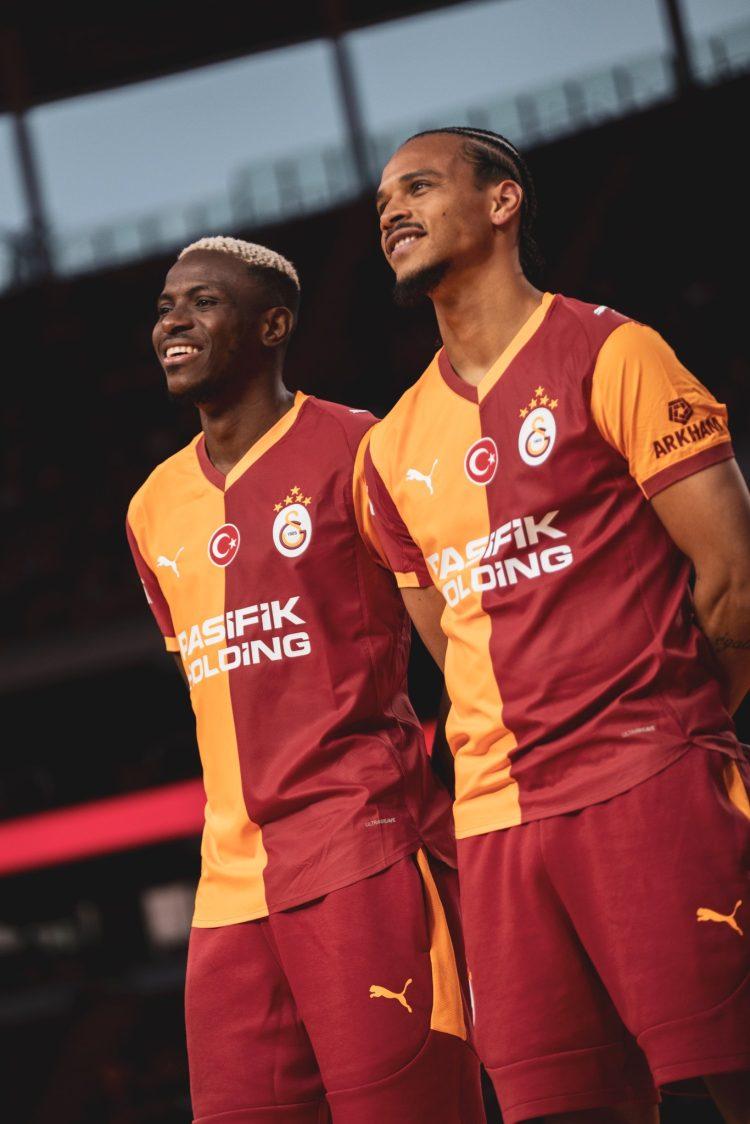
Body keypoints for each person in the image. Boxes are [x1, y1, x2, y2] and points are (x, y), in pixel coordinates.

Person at [365, 126, 750, 1124]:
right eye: (381, 204)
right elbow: (450, 648)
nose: (392, 211)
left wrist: (675, 721)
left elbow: (735, 579)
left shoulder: (616, 352)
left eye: (418, 186)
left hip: (648, 777)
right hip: (495, 827)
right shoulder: (388, 449)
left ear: (503, 202)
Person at [126, 236, 484, 1124]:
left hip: (363, 851)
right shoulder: (151, 507)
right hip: (227, 891)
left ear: (272, 325)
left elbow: (459, 634)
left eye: (203, 302)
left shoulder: (363, 448)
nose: (173, 319)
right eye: (167, 305)